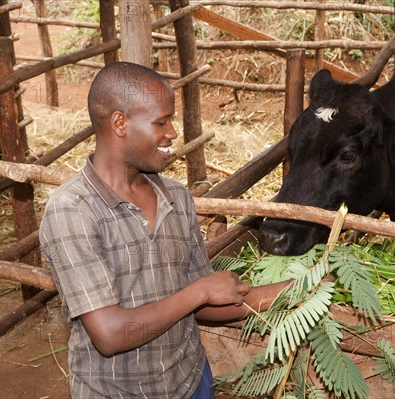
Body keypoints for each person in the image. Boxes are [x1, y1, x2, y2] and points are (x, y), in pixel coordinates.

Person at [39, 61, 290, 399]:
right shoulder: (73, 210)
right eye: (161, 122)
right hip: (117, 392)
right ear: (120, 123)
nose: (172, 132)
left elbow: (203, 304)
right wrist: (199, 291)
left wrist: (292, 289)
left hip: (190, 381)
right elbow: (109, 334)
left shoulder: (175, 198)